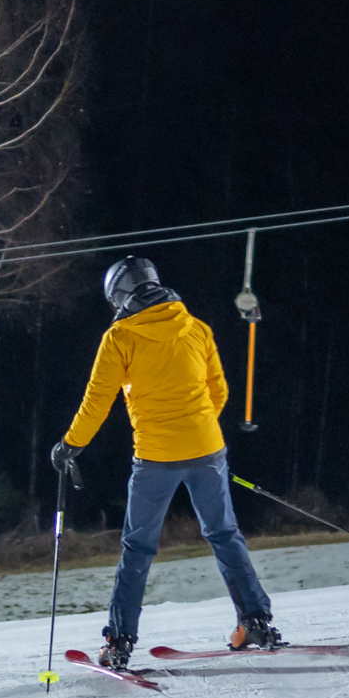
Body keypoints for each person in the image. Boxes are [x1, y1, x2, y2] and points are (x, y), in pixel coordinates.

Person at [50, 256, 279, 671]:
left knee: (137, 549)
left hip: (155, 457)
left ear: (119, 296)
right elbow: (219, 391)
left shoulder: (120, 337)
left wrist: (70, 445)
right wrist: (199, 429)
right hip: (208, 450)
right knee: (225, 534)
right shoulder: (196, 327)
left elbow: (97, 401)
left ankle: (118, 643)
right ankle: (256, 621)